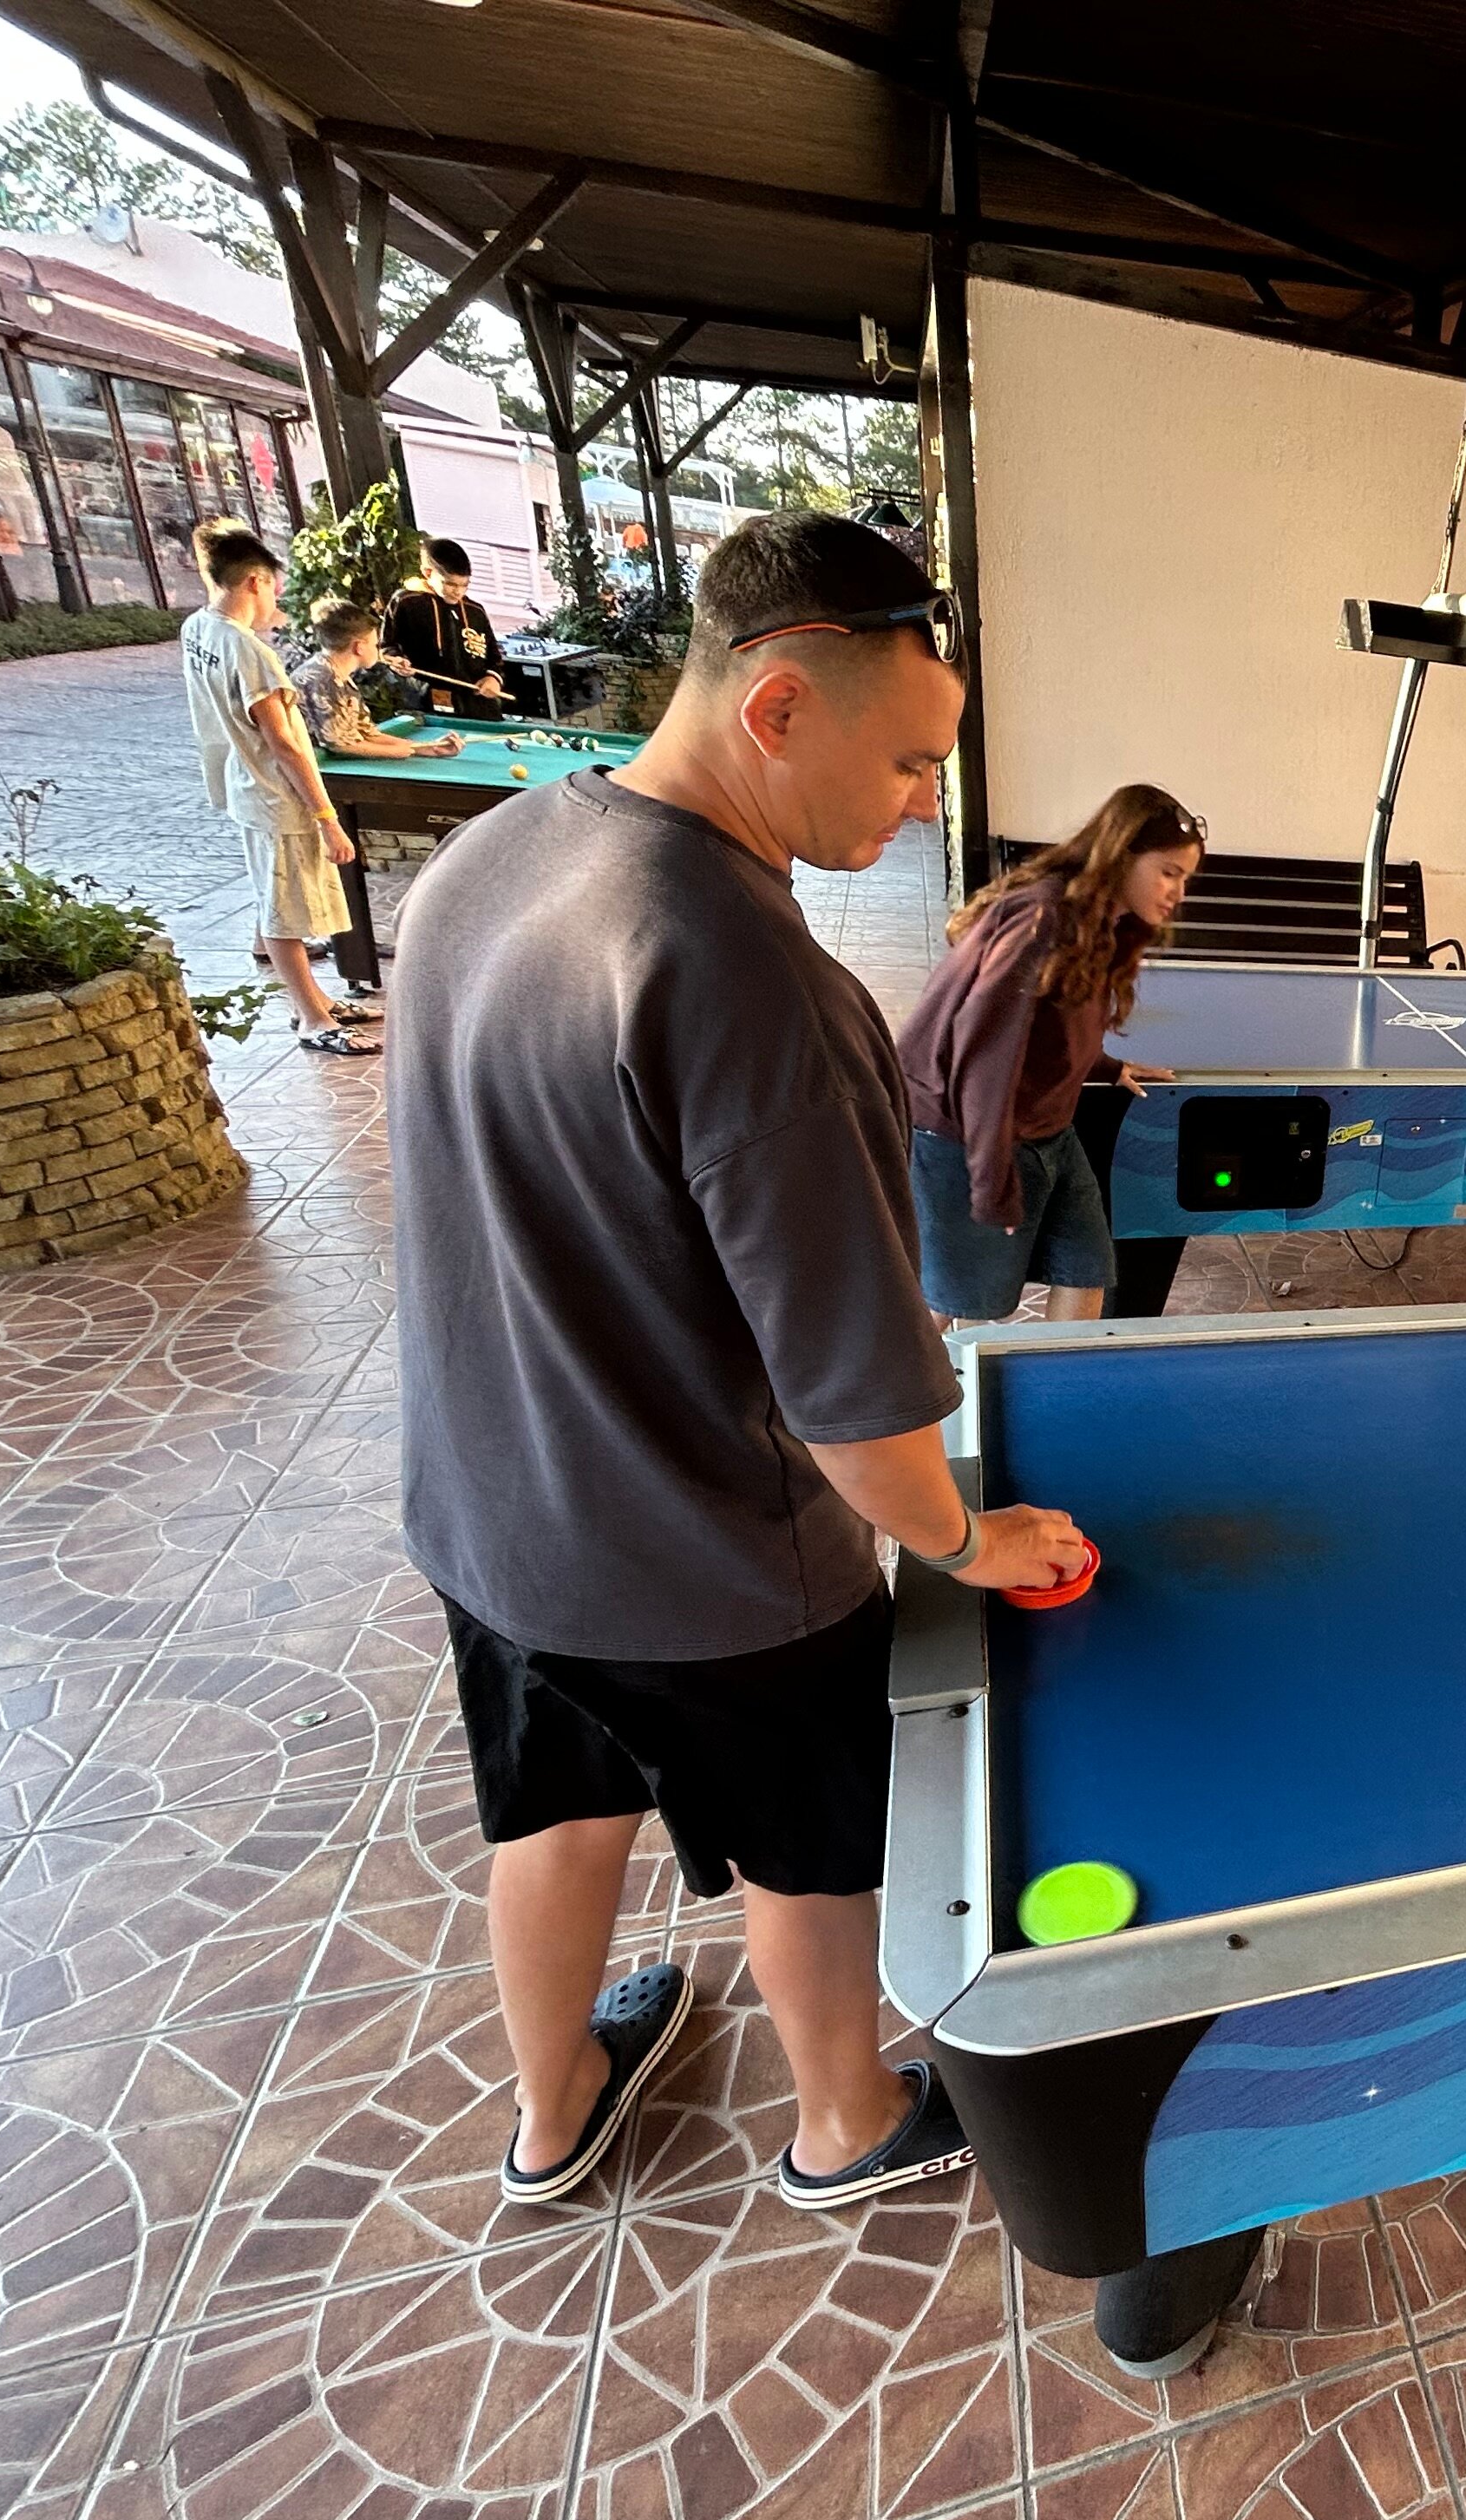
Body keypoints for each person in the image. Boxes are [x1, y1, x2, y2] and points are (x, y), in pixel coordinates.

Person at [388, 510, 1088, 2215]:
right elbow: (855, 1400)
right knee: (811, 1843)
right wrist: (964, 1536)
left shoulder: (486, 858)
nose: (920, 801)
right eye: (908, 761)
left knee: (555, 1810)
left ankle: (554, 2109)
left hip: (494, 1513)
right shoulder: (756, 979)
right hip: (710, 1564)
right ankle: (843, 2119)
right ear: (777, 705)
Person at [896, 786, 1199, 1325]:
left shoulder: (1100, 923)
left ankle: (1065, 1376)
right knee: (950, 1304)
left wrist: (1106, 1066)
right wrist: (990, 1183)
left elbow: (1051, 1024)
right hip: (963, 1136)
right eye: (1169, 872)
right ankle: (889, 1379)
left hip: (1047, 1133)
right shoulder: (1042, 920)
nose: (1178, 891)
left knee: (1086, 1271)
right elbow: (983, 1060)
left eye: (1185, 878)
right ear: (1121, 854)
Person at [175, 519, 379, 1057]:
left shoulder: (196, 628)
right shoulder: (250, 651)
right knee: (283, 914)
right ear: (255, 582)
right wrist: (328, 818)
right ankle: (313, 1019)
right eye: (275, 588)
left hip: (245, 786)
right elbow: (285, 745)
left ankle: (318, 1000)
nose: (276, 602)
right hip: (276, 797)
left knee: (279, 900)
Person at [293, 597, 462, 769]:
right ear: (359, 647)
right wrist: (398, 752)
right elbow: (340, 744)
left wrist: (427, 748)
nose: (379, 650)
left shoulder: (339, 676)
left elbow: (367, 733)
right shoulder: (321, 678)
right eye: (375, 645)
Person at [385, 536, 513, 719]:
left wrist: (493, 678)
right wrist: (397, 661)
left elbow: (494, 658)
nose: (458, 592)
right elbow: (387, 646)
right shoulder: (406, 602)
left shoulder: (475, 611)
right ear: (428, 573)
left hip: (480, 707)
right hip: (429, 704)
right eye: (450, 584)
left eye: (464, 585)